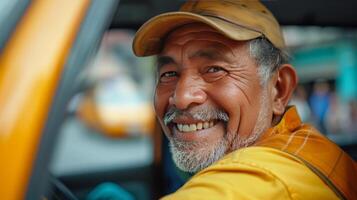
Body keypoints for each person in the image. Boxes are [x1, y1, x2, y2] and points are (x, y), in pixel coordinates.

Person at [132, 0, 357, 199]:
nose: (181, 98)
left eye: (214, 69)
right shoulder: (303, 150)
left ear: (278, 89)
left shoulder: (262, 181)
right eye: (168, 74)